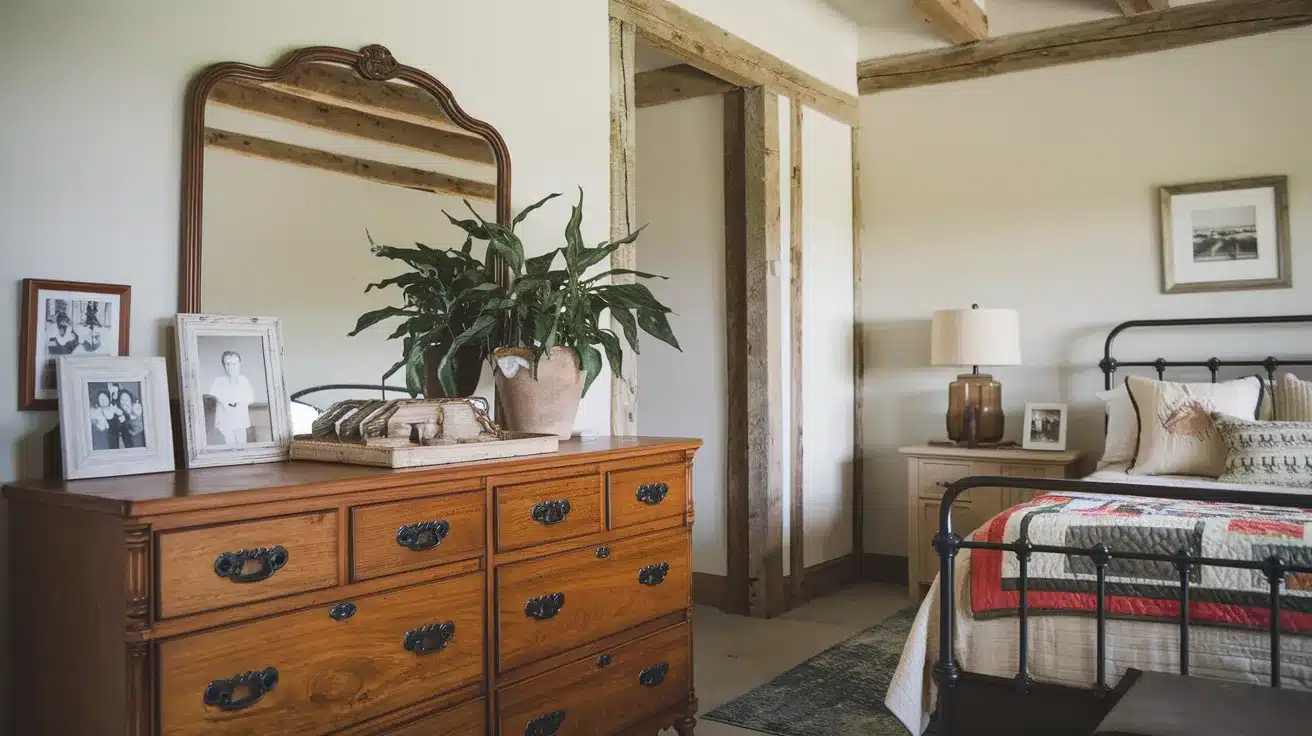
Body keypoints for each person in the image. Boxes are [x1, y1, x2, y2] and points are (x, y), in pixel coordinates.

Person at [209, 350, 254, 445]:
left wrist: (239, 403)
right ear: (223, 365)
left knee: (241, 443)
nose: (231, 367)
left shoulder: (244, 381)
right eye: (228, 364)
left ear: (239, 364)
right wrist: (230, 404)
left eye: (234, 364)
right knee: (229, 444)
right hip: (225, 422)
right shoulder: (219, 382)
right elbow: (218, 398)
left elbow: (250, 398)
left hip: (240, 420)